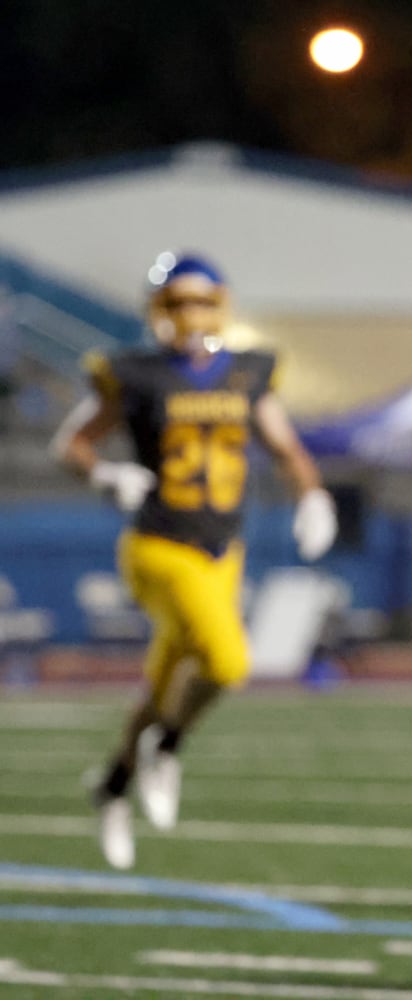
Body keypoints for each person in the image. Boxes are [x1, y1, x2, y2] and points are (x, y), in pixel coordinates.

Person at [52, 251, 338, 870]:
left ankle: (111, 785)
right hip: (158, 545)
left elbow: (284, 445)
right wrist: (104, 474)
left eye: (203, 301)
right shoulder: (134, 372)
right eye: (179, 302)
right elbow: (70, 441)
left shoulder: (247, 371)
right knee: (229, 660)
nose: (192, 314)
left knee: (162, 685)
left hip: (222, 550)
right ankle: (169, 746)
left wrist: (313, 494)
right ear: (158, 309)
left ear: (222, 306)